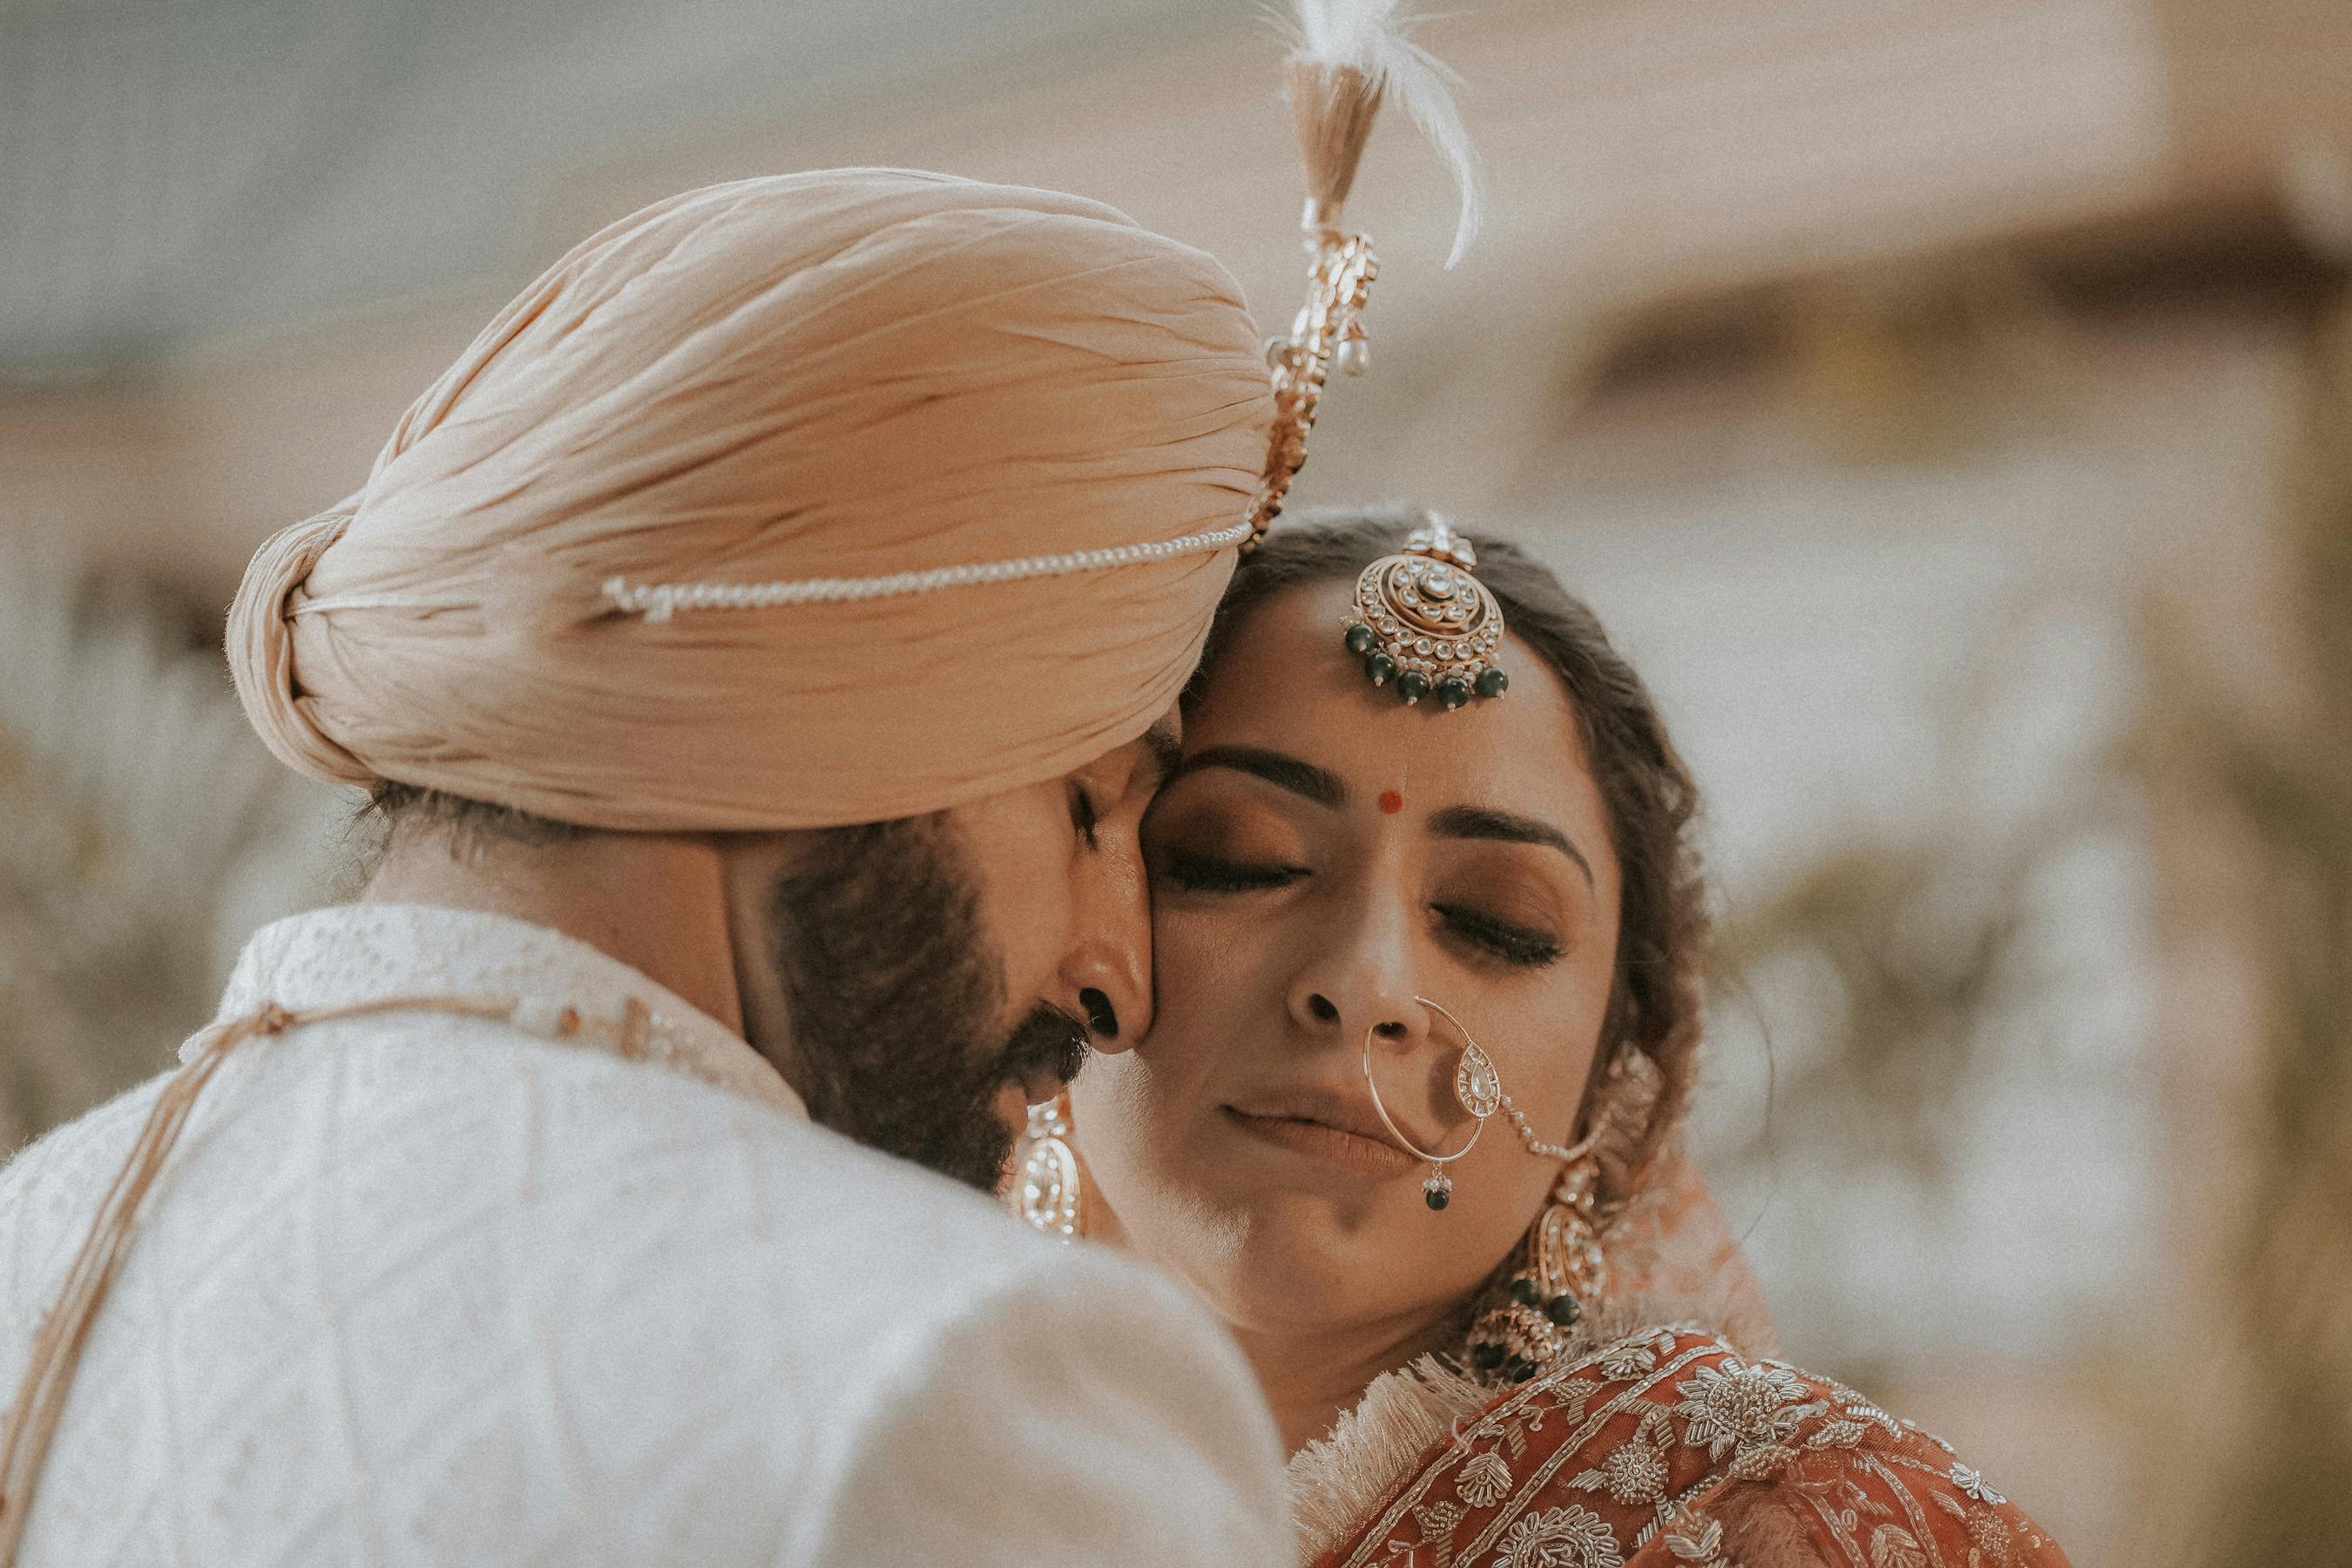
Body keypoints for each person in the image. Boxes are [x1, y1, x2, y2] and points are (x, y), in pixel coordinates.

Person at [0, 168, 1308, 1565]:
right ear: (816, 707)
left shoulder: (30, 1248)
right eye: (1092, 809)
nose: (1119, 978)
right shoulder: (966, 1376)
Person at [1010, 507, 2073, 1566]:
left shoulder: (1779, 1527)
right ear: (1072, 929)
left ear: (1618, 1081)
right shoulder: (927, 1452)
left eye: (1495, 924)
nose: (1365, 984)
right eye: (1243, 858)